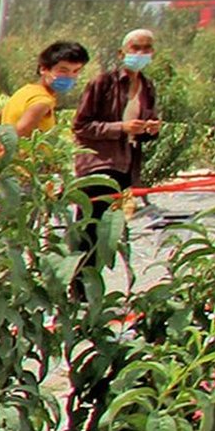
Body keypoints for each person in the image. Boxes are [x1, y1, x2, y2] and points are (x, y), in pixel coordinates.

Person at [72, 27, 162, 269]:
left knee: (110, 232)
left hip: (125, 166)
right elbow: (81, 126)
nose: (141, 53)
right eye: (136, 48)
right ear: (122, 53)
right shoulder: (103, 83)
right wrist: (121, 127)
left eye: (147, 48)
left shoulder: (148, 87)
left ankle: (93, 285)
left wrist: (150, 130)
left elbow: (142, 130)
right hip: (97, 166)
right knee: (88, 228)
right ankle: (77, 286)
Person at [0, 40, 88, 156]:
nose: (70, 76)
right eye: (63, 71)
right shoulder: (42, 102)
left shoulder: (25, 91)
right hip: (25, 170)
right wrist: (2, 157)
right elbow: (19, 133)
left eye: (76, 71)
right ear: (43, 69)